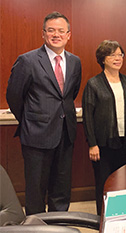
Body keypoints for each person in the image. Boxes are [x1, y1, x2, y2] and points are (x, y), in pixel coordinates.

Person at [6, 12, 82, 215]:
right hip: (36, 136)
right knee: (36, 192)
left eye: (60, 31)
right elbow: (14, 96)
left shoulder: (75, 62)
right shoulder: (28, 60)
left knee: (61, 190)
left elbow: (69, 94)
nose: (56, 35)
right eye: (51, 30)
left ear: (68, 35)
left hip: (65, 134)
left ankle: (59, 225)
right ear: (43, 34)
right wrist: (31, 120)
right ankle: (36, 228)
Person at [82, 40, 126, 215]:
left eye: (120, 55)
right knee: (104, 184)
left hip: (125, 142)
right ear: (103, 59)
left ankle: (122, 217)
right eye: (112, 55)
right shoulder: (93, 84)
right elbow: (87, 116)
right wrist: (92, 144)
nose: (117, 58)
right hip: (102, 144)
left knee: (124, 183)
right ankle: (103, 219)